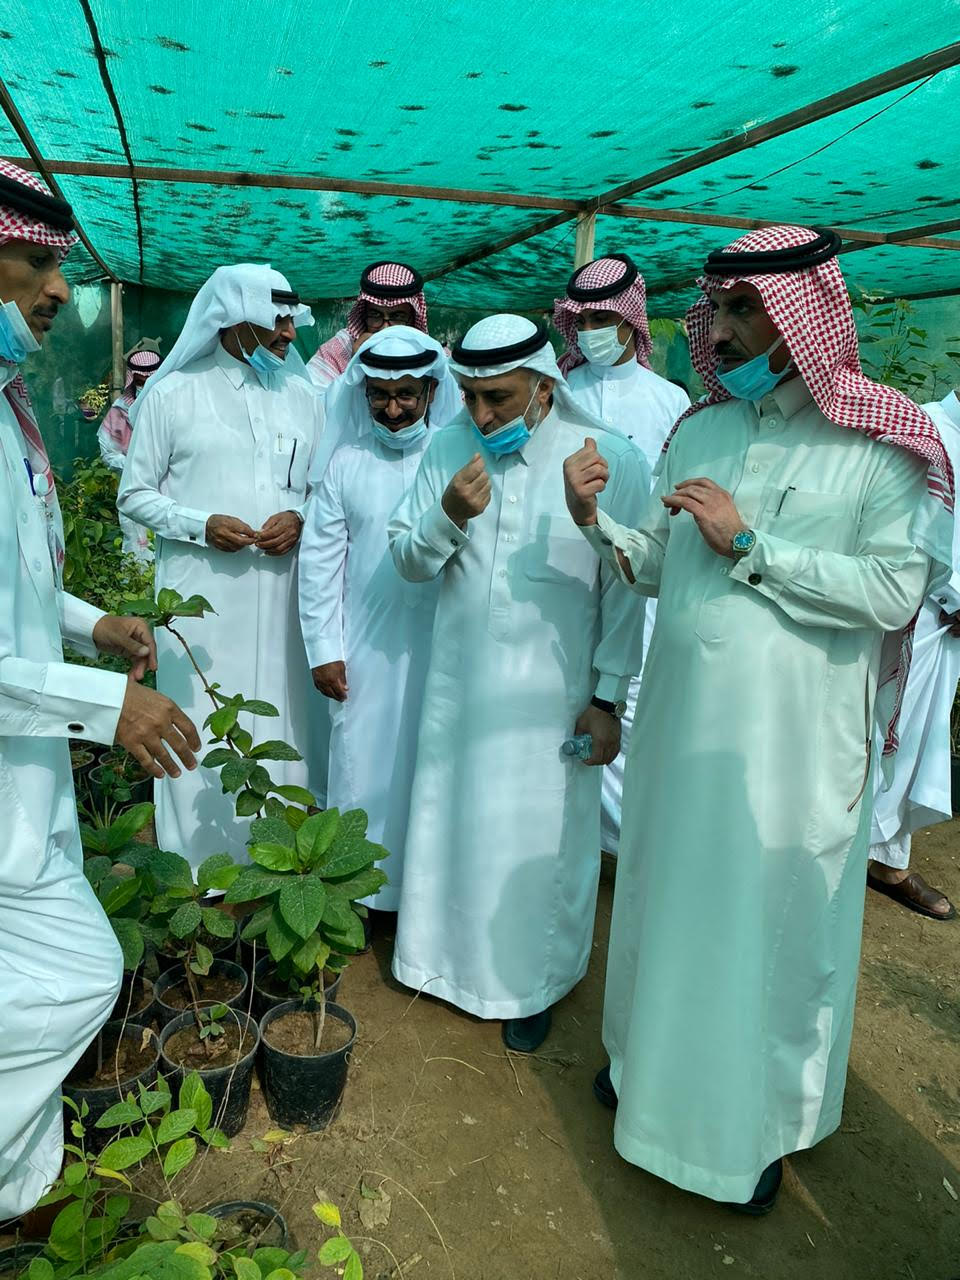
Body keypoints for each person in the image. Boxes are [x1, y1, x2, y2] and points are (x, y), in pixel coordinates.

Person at [562, 225, 953, 1214]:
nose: (723, 331)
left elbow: (893, 592)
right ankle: (643, 1069)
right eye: (720, 309)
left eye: (747, 310)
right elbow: (659, 566)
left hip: (789, 751)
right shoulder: (699, 431)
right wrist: (597, 524)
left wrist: (752, 544)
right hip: (680, 733)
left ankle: (745, 1133)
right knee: (661, 899)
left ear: (801, 315)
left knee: (758, 927)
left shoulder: (880, 443)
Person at [0, 160, 200, 1219]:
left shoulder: (8, 408)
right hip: (19, 761)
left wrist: (92, 624)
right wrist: (103, 701)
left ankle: (23, 1193)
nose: (58, 290)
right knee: (77, 973)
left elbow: (21, 584)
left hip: (25, 770)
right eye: (32, 261)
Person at [388, 314, 648, 1053]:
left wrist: (607, 699)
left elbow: (627, 591)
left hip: (552, 702)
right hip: (460, 684)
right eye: (468, 396)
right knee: (451, 821)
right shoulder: (448, 446)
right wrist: (447, 517)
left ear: (545, 387)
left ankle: (534, 983)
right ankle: (436, 961)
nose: (479, 414)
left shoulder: (609, 459)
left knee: (541, 841)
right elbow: (407, 561)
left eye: (497, 397)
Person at [118, 264, 324, 872]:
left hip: (285, 597)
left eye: (292, 320)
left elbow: (325, 490)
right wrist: (199, 523)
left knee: (286, 720)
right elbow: (134, 495)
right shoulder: (174, 395)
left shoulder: (304, 397)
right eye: (277, 321)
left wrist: (302, 516)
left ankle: (280, 865)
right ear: (233, 319)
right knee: (201, 722)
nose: (289, 334)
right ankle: (198, 870)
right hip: (202, 605)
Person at [299, 327, 461, 915]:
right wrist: (324, 649)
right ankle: (359, 897)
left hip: (444, 644)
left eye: (406, 395)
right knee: (360, 766)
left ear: (431, 392)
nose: (393, 410)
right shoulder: (346, 463)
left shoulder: (456, 457)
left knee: (434, 765)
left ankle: (424, 901)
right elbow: (319, 564)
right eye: (380, 396)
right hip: (364, 647)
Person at [554, 254, 690, 854]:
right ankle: (585, 844)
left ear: (632, 320)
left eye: (602, 320)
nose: (590, 333)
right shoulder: (559, 393)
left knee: (629, 710)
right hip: (563, 575)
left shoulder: (671, 401)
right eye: (581, 322)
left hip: (639, 582)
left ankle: (630, 847)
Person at [867, 387, 960, 920]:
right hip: (910, 617)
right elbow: (902, 531)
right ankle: (853, 853)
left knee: (917, 740)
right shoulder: (922, 427)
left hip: (947, 630)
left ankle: (888, 860)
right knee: (881, 734)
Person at [308, 261, 428, 392]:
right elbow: (311, 398)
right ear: (363, 315)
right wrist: (355, 367)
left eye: (397, 317)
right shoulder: (339, 350)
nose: (385, 329)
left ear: (413, 320)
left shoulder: (430, 354)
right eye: (375, 315)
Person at [98, 344, 162, 561]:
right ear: (132, 380)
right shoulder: (120, 410)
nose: (145, 386)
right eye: (140, 382)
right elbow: (108, 453)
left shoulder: (171, 405)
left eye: (149, 381)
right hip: (134, 488)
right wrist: (138, 464)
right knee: (136, 549)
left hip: (170, 490)